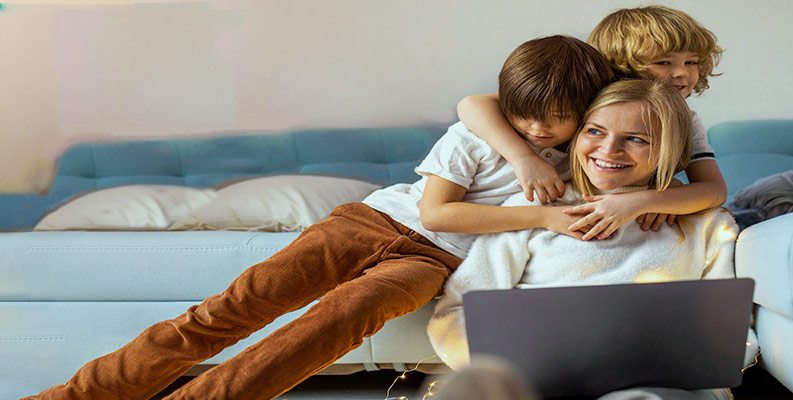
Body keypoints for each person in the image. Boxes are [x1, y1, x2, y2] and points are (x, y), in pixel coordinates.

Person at [27, 35, 618, 400]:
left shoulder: (588, 155)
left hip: (433, 260)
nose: (538, 128)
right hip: (371, 223)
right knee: (226, 313)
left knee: (334, 321)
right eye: (526, 115)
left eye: (558, 117)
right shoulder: (478, 133)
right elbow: (439, 209)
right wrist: (535, 201)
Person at [427, 79, 758, 400]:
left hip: (662, 387)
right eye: (595, 131)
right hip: (538, 386)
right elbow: (455, 313)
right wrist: (506, 373)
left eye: (636, 139)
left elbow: (734, 333)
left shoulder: (708, 225)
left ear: (669, 150)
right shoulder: (532, 208)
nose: (608, 150)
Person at [456, 5, 727, 241]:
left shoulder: (686, 119)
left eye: (691, 61)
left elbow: (713, 189)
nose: (682, 72)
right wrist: (523, 158)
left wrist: (647, 199)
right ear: (621, 64)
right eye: (663, 62)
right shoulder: (583, 98)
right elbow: (472, 104)